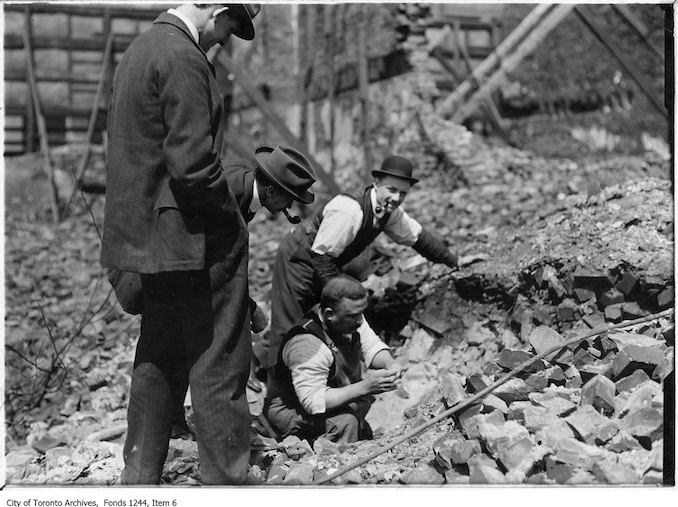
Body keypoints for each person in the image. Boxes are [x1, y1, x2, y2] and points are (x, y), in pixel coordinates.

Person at [100, 4, 262, 485]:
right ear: (218, 10)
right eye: (231, 27)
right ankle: (227, 481)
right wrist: (230, 220)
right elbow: (193, 165)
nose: (225, 40)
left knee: (160, 350)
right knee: (220, 355)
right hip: (188, 236)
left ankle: (140, 474)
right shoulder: (184, 57)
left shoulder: (140, 49)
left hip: (149, 239)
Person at [265, 155, 462, 370]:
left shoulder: (390, 213)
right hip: (298, 260)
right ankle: (278, 388)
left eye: (403, 193)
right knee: (290, 324)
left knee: (329, 321)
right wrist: (341, 298)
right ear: (377, 184)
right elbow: (321, 257)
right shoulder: (350, 209)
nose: (396, 197)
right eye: (392, 189)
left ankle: (325, 379)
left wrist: (454, 261)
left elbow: (419, 238)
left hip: (324, 261)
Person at [264, 276, 401, 443]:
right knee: (345, 423)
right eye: (353, 316)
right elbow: (314, 401)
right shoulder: (307, 346)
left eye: (361, 313)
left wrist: (390, 363)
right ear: (329, 314)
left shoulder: (349, 317)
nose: (360, 321)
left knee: (358, 416)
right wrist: (366, 386)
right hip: (292, 410)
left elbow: (371, 346)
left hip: (325, 400)